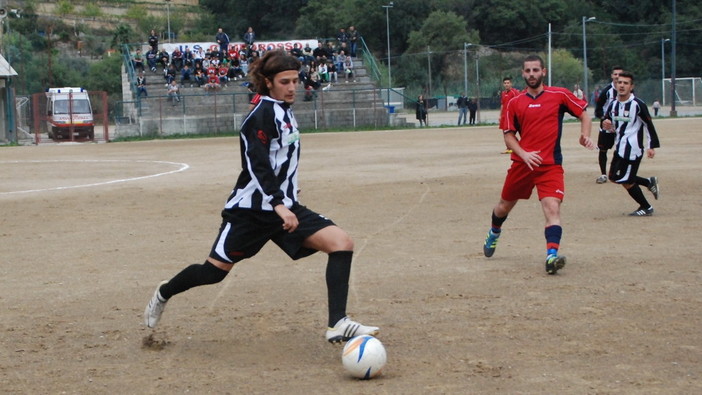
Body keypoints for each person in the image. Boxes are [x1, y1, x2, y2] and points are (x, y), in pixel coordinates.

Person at [143, 50, 379, 344]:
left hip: (285, 206)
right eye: (285, 81)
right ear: (268, 82)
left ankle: (337, 323)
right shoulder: (260, 115)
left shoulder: (285, 111)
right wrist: (279, 204)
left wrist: (289, 194)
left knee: (341, 243)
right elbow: (257, 164)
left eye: (296, 80)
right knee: (213, 272)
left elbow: (283, 160)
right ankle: (165, 292)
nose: (293, 87)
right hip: (251, 212)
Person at [482, 54, 595, 275]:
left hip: (550, 164)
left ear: (543, 72)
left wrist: (585, 136)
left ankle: (551, 256)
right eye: (527, 71)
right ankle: (494, 231)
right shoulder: (515, 102)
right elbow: (508, 136)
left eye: (536, 70)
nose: (531, 74)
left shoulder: (559, 95)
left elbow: (584, 115)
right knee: (504, 206)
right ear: (523, 74)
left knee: (552, 208)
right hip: (522, 164)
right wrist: (524, 154)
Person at [601, 71, 660, 216]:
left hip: (632, 150)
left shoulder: (637, 104)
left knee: (626, 180)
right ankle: (648, 182)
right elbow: (608, 123)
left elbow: (648, 125)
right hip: (619, 148)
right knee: (613, 177)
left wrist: (650, 146)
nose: (621, 85)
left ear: (631, 86)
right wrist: (605, 124)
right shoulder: (613, 104)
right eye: (619, 82)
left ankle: (646, 207)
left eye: (625, 83)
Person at [594, 66, 624, 184]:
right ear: (612, 76)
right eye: (615, 74)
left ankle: (618, 172)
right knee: (603, 150)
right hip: (607, 126)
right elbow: (598, 109)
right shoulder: (607, 91)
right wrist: (603, 119)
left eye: (619, 74)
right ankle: (603, 174)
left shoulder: (628, 91)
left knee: (621, 149)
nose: (617, 76)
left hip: (622, 126)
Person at [499, 76, 521, 154]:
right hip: (505, 116)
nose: (506, 85)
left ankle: (516, 146)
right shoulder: (503, 93)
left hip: (512, 116)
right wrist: (500, 115)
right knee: (505, 132)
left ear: (511, 84)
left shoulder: (514, 92)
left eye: (508, 83)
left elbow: (519, 103)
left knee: (510, 132)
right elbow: (502, 104)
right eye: (505, 83)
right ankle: (509, 148)